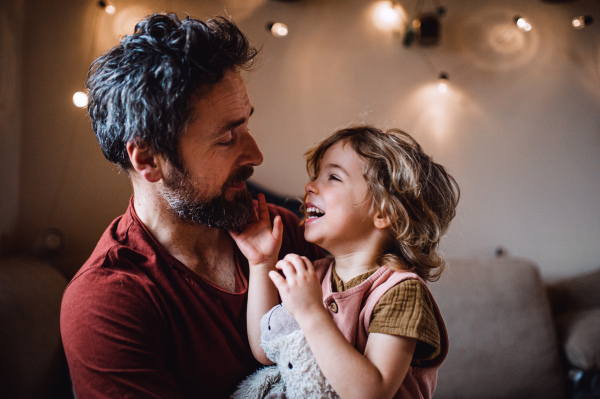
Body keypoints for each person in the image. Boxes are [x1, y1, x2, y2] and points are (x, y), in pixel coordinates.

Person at [59, 13, 322, 399]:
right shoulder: (107, 303)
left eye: (246, 126)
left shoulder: (282, 232)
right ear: (148, 160)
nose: (256, 155)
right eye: (227, 138)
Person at [230, 125, 460, 398]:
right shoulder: (314, 275)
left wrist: (311, 313)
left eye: (333, 177)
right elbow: (264, 349)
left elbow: (371, 392)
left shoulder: (402, 292)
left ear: (384, 213)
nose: (309, 185)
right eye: (316, 176)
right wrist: (261, 263)